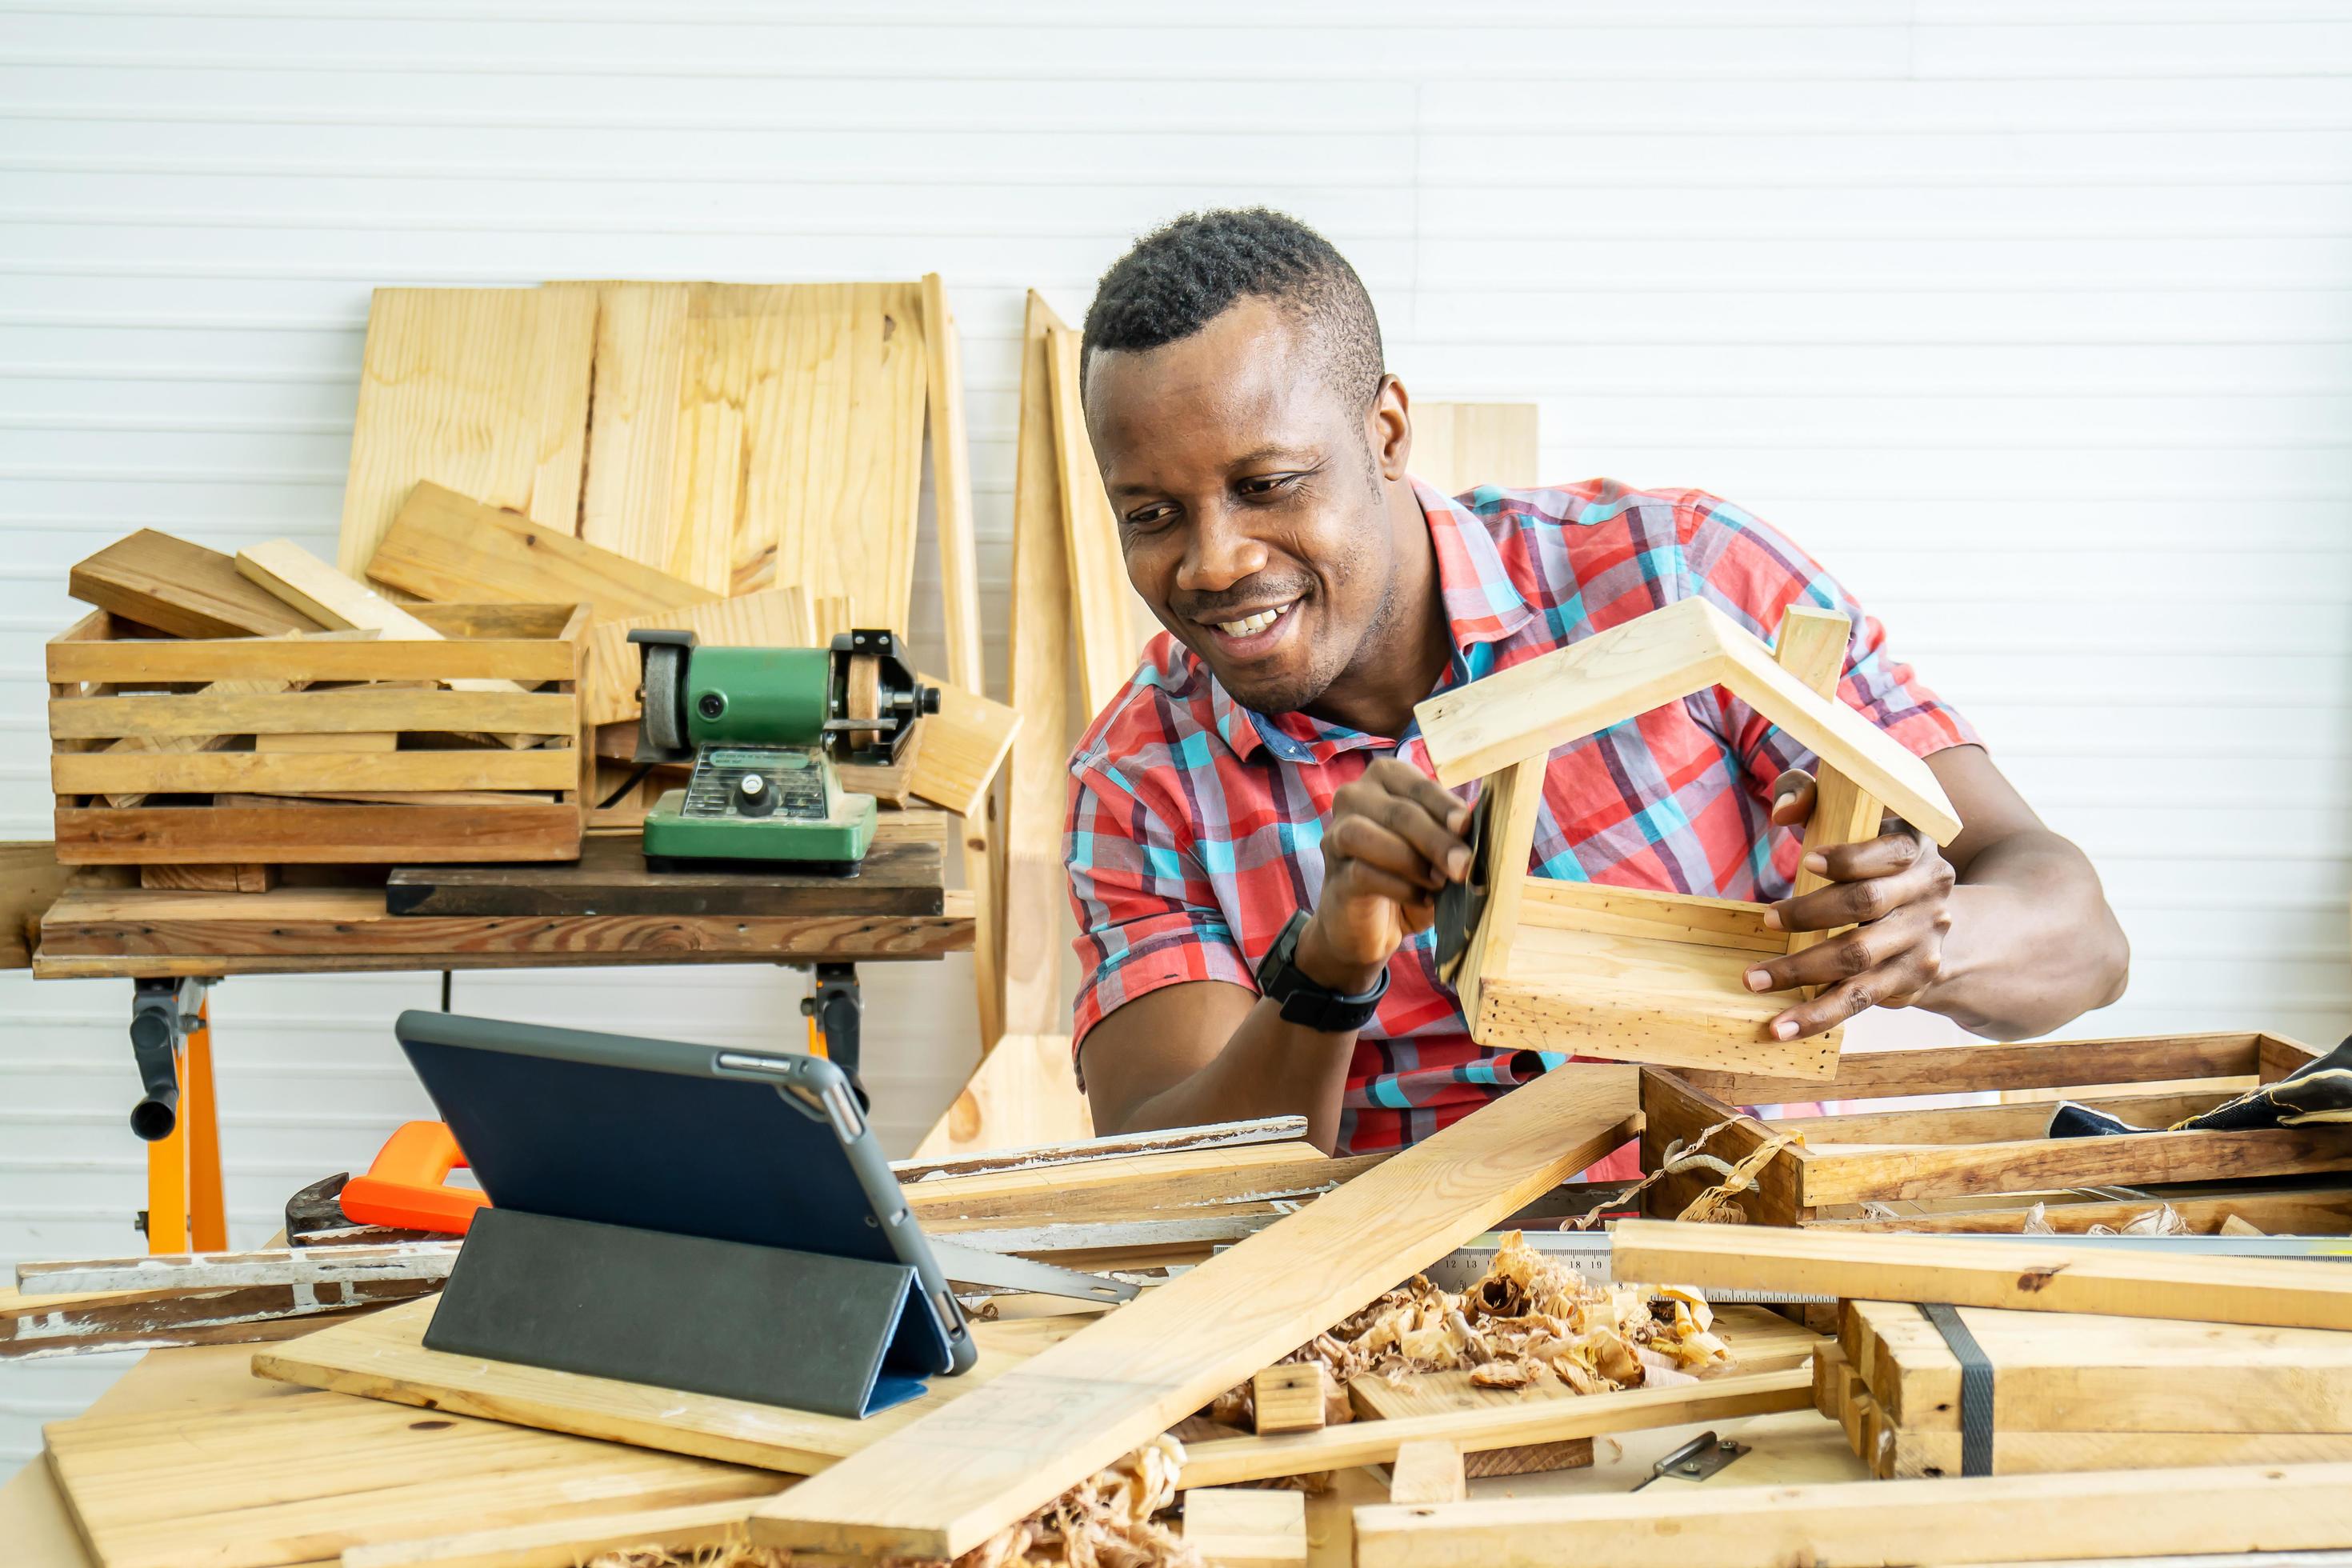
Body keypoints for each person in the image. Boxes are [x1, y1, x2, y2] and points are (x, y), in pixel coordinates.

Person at [1062, 207, 2130, 1158]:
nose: (1211, 562)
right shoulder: (1140, 777)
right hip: (1412, 1323)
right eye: (1150, 514)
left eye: (1267, 486)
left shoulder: (1682, 579)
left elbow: (2083, 941)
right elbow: (1169, 1184)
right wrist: (1331, 966)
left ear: (1384, 432)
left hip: (1753, 1263)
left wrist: (1928, 940)